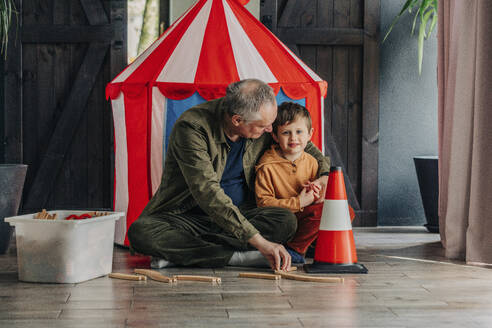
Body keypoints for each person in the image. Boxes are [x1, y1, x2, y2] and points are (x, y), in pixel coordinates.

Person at [127, 79, 330, 271]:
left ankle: (184, 254)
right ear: (237, 120)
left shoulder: (262, 117)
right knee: (141, 232)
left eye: (272, 123)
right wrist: (260, 242)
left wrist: (324, 177)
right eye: (263, 126)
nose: (270, 129)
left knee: (285, 220)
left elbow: (310, 150)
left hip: (244, 215)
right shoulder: (192, 128)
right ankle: (238, 257)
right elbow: (208, 193)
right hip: (188, 218)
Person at [255, 102, 326, 264]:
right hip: (282, 218)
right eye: (286, 133)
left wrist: (315, 193)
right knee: (290, 219)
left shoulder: (312, 162)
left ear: (310, 134)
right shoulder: (266, 165)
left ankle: (309, 244)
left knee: (343, 210)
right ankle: (294, 249)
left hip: (305, 217)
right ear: (275, 136)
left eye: (299, 132)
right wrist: (298, 202)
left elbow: (315, 201)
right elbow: (263, 203)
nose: (293, 138)